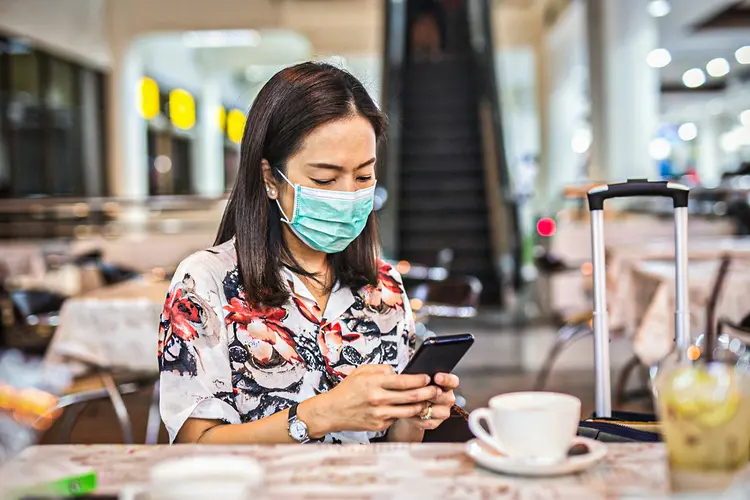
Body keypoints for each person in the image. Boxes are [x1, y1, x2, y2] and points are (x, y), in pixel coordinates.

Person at [158, 62, 460, 444]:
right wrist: (321, 415)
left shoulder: (383, 287)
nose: (349, 195)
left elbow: (391, 449)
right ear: (270, 178)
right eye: (324, 179)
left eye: (364, 176)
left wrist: (415, 416)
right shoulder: (206, 283)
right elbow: (193, 449)